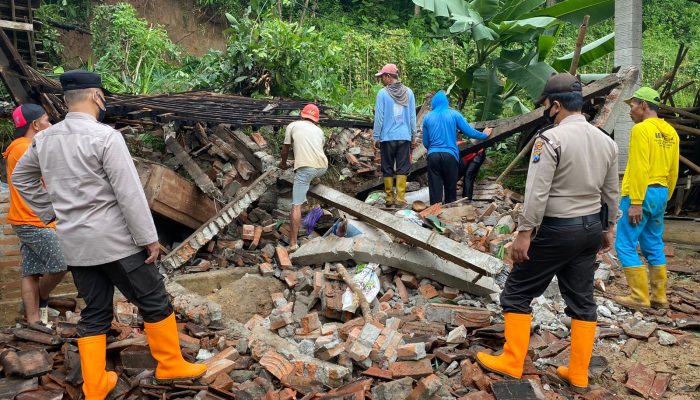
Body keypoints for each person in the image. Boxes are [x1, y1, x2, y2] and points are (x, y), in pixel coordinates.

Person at [12, 70, 206, 399]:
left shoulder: (44, 139)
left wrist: (50, 212)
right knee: (154, 300)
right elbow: (129, 194)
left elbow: (21, 178)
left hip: (76, 244)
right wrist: (148, 237)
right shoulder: (105, 137)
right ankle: (170, 364)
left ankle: (95, 384)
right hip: (117, 242)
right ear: (96, 96)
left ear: (66, 100)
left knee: (96, 310)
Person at [475, 73, 620, 391]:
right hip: (590, 229)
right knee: (582, 301)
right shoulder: (606, 142)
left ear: (555, 105)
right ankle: (579, 373)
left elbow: (537, 192)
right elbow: (612, 192)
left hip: (557, 229)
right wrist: (609, 228)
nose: (546, 109)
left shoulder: (551, 140)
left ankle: (512, 361)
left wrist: (524, 233)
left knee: (517, 292)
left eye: (546, 105)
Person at [614, 87, 679, 310]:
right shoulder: (671, 131)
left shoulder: (642, 130)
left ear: (643, 105)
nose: (630, 111)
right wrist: (665, 198)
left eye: (632, 105)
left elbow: (640, 167)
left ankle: (639, 296)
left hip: (640, 193)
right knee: (653, 243)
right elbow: (673, 170)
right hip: (660, 193)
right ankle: (660, 297)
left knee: (624, 243)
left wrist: (636, 202)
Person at [2, 104, 67, 325]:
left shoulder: (21, 146)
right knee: (60, 265)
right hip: (33, 219)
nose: (49, 124)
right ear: (35, 125)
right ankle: (42, 297)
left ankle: (33, 321)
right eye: (46, 120)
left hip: (27, 218)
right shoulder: (24, 148)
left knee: (31, 271)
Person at [421, 90, 491, 204]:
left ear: (434, 103)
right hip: (450, 156)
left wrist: (434, 150)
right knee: (450, 188)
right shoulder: (454, 114)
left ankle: (434, 216)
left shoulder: (427, 117)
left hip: (433, 155)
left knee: (435, 189)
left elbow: (425, 143)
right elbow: (470, 132)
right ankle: (449, 213)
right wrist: (484, 134)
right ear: (445, 102)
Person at [279, 103, 328, 251]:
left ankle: (293, 243)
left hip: (306, 169)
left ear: (302, 114)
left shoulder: (293, 126)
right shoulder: (319, 131)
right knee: (312, 172)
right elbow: (316, 150)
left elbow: (285, 149)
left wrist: (283, 163)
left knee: (296, 206)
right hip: (323, 168)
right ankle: (314, 178)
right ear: (315, 119)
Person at [373, 63, 417, 207]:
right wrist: (413, 135)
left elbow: (379, 117)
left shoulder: (383, 94)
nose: (382, 80)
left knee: (387, 167)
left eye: (382, 77)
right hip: (404, 136)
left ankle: (389, 198)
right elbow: (412, 117)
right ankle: (400, 198)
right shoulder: (408, 92)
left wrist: (376, 136)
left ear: (388, 76)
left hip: (387, 137)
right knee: (403, 167)